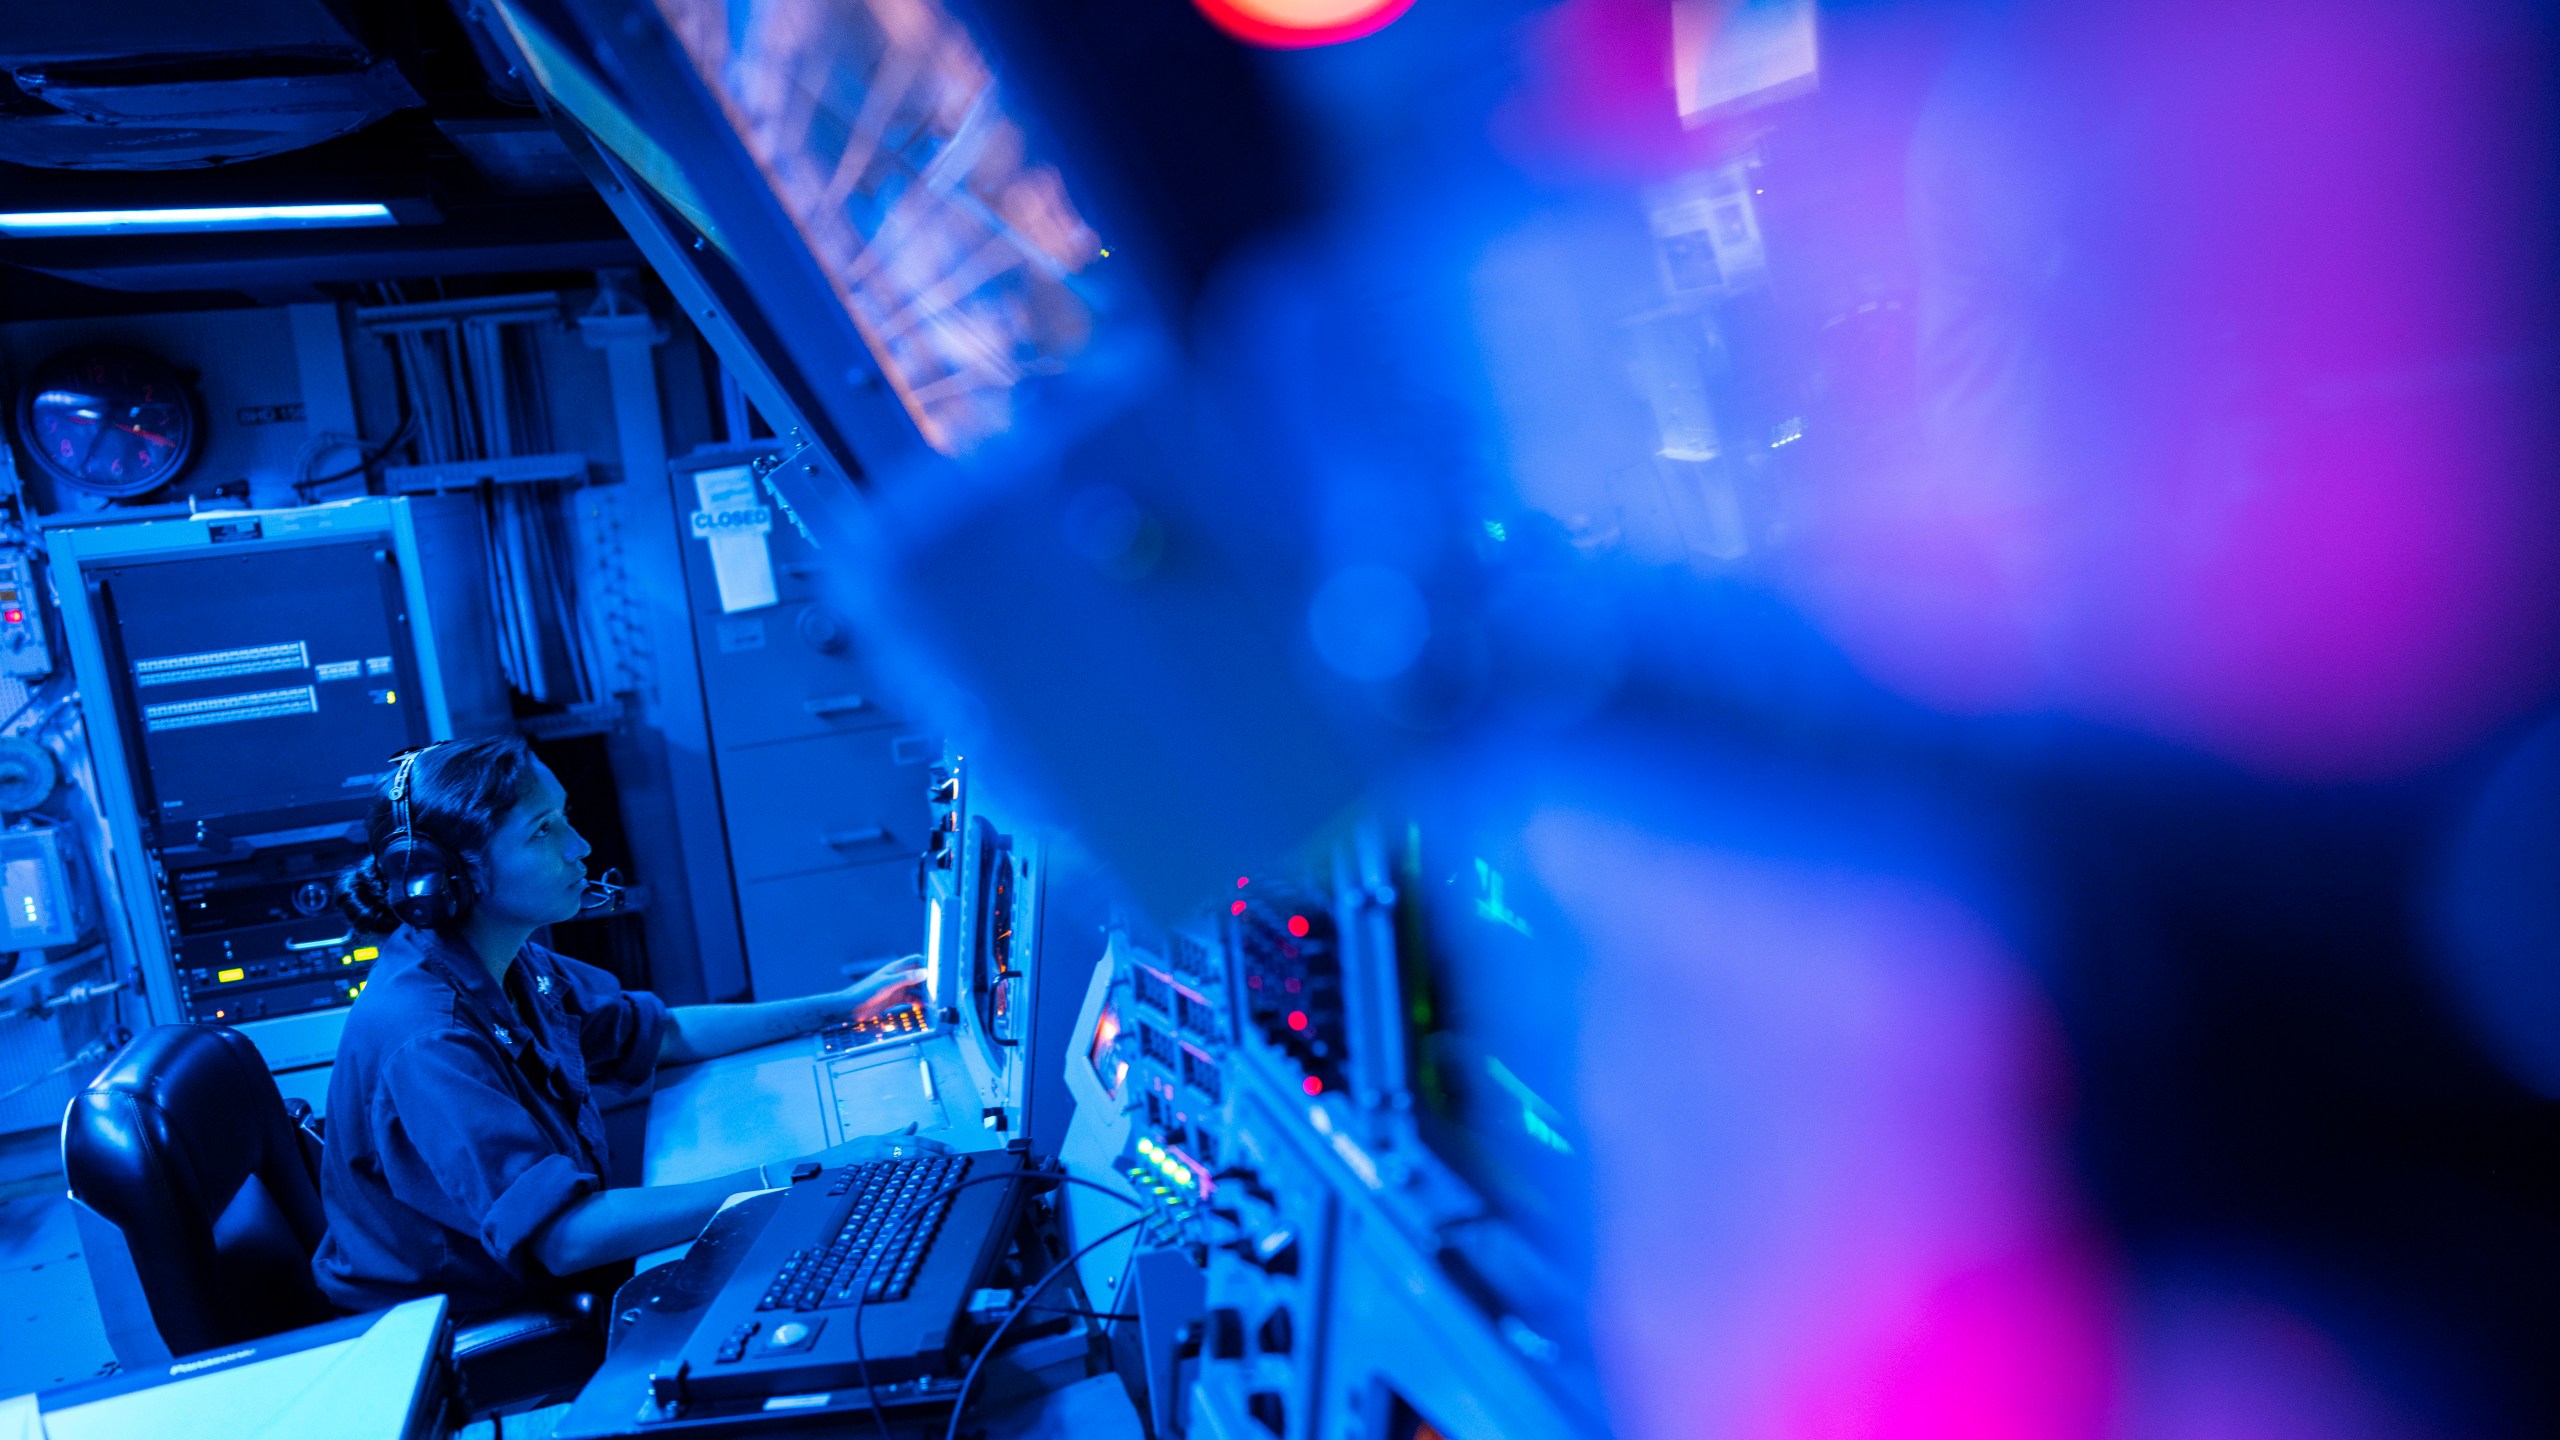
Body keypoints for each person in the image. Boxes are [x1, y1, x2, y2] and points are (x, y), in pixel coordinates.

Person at [311, 734, 930, 1316]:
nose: (579, 846)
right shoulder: (427, 1038)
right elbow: (566, 1237)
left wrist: (841, 1007)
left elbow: (658, 1034)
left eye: (566, 816)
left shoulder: (502, 957)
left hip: (534, 1261)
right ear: (449, 879)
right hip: (453, 1314)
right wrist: (803, 1175)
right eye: (544, 831)